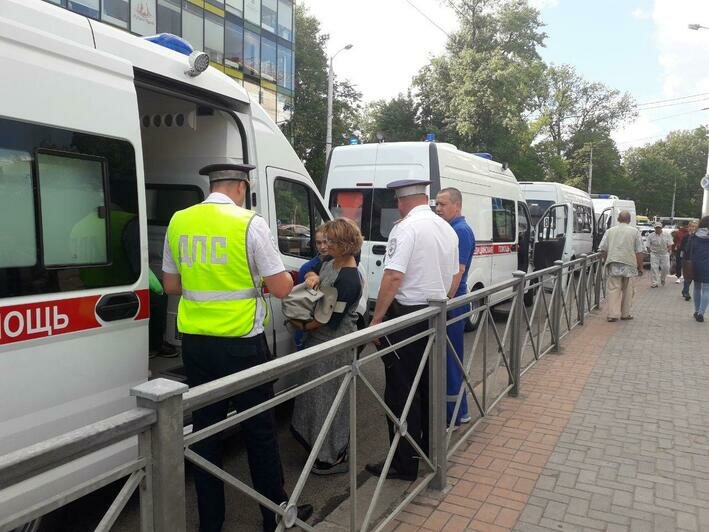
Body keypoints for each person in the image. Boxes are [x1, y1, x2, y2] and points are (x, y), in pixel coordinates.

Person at [162, 163, 312, 532]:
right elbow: (280, 288)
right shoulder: (249, 223)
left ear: (211, 184)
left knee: (205, 433)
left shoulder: (179, 220)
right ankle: (275, 517)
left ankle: (211, 523)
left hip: (197, 345)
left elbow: (171, 286)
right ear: (243, 187)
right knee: (259, 432)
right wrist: (279, 279)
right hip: (242, 345)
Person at [365, 179, 458, 481]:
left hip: (407, 316)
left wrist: (377, 319)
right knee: (430, 386)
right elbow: (455, 273)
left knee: (401, 390)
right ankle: (431, 453)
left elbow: (393, 276)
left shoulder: (405, 228)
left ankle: (404, 463)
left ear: (402, 200)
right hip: (436, 312)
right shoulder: (446, 227)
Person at [289, 218, 363, 475]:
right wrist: (311, 277)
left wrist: (298, 325)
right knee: (315, 397)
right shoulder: (331, 262)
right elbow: (315, 271)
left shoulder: (351, 278)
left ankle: (330, 455)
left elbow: (328, 320)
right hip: (319, 343)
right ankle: (316, 447)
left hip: (334, 345)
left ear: (344, 244)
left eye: (331, 241)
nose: (325, 245)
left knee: (330, 400)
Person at [435, 187, 475, 426]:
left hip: (453, 303)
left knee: (450, 359)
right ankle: (457, 410)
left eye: (443, 204)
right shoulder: (453, 228)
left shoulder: (460, 230)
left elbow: (457, 272)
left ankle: (456, 414)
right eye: (436, 204)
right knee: (448, 359)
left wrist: (445, 300)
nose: (438, 209)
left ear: (457, 205)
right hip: (453, 302)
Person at [598, 210, 644, 322]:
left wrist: (606, 260)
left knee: (613, 289)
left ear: (618, 219)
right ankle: (625, 314)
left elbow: (603, 248)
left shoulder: (610, 231)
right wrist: (640, 267)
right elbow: (639, 251)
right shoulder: (635, 232)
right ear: (629, 220)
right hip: (629, 264)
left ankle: (612, 315)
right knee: (628, 290)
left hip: (613, 263)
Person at [293, 226, 329, 349]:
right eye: (319, 242)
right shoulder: (306, 268)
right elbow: (300, 303)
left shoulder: (342, 265)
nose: (322, 246)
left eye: (326, 241)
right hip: (309, 327)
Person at [685, 216, 709, 322]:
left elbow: (687, 251)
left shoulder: (694, 236)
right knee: (707, 290)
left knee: (697, 288)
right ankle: (701, 313)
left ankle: (696, 310)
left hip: (695, 265)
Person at [646, 222, 672, 287]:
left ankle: (663, 279)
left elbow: (670, 244)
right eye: (656, 228)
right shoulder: (650, 236)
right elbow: (647, 245)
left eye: (659, 228)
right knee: (654, 268)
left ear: (661, 228)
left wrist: (668, 251)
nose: (658, 229)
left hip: (664, 253)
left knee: (666, 267)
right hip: (655, 254)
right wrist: (650, 253)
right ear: (654, 228)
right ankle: (654, 283)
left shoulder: (667, 235)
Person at [681, 220, 699, 301]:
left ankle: (685, 290)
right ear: (688, 227)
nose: (693, 228)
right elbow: (681, 248)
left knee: (691, 277)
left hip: (696, 259)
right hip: (687, 259)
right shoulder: (685, 237)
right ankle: (686, 292)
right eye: (691, 226)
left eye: (695, 226)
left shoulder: (698, 237)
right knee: (687, 276)